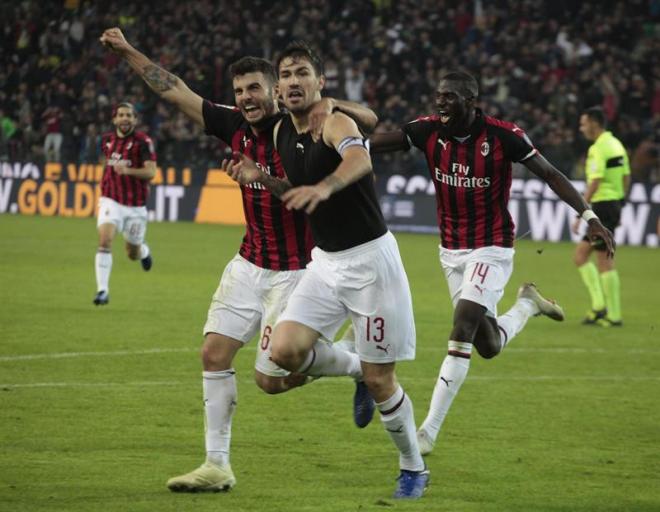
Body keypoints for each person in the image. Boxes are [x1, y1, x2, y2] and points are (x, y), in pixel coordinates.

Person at [99, 28, 379, 493]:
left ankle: (358, 365)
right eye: (239, 91)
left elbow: (367, 122)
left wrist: (329, 112)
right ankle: (217, 465)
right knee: (212, 353)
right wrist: (127, 50)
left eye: (254, 88)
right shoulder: (231, 125)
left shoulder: (303, 126)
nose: (246, 98)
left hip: (298, 269)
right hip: (249, 263)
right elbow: (172, 88)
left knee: (270, 381)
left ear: (276, 90)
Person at [369, 71, 615, 457]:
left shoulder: (504, 137)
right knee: (488, 344)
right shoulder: (427, 131)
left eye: (449, 97)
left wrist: (589, 216)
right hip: (450, 251)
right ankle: (528, 304)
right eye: (438, 96)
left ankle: (428, 431)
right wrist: (328, 140)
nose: (440, 104)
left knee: (462, 324)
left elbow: (550, 174)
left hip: (492, 247)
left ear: (470, 100)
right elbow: (371, 145)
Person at [227, 41, 429, 500]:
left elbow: (360, 158)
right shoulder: (281, 133)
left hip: (371, 264)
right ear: (279, 88)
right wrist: (265, 179)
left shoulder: (334, 121)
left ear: (320, 83)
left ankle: (413, 467)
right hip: (326, 264)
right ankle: (357, 367)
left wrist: (325, 186)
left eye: (303, 74)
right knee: (283, 353)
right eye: (287, 75)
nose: (294, 82)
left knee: (384, 382)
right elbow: (295, 190)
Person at [572, 107, 630, 327]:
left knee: (604, 261)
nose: (582, 128)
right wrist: (620, 202)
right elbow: (626, 176)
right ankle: (598, 307)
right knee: (580, 256)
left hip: (603, 207)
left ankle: (613, 315)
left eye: (583, 123)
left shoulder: (598, 148)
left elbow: (595, 182)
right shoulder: (616, 145)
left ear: (594, 124)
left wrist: (581, 213)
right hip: (612, 205)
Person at [94, 101, 156, 306]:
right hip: (110, 199)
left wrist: (127, 171)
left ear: (135, 120)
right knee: (105, 240)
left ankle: (144, 252)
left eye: (129, 115)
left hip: (135, 206)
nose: (125, 118)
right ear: (114, 119)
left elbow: (151, 172)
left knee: (132, 252)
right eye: (121, 115)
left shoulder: (143, 142)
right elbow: (105, 164)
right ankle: (102, 291)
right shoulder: (106, 141)